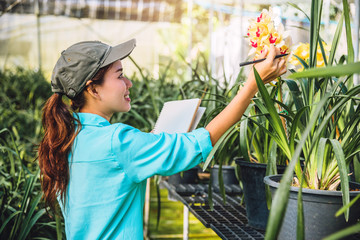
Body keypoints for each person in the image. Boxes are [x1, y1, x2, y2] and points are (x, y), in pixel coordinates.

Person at [38, 38, 286, 239]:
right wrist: (253, 84)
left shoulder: (66, 138)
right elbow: (202, 141)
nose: (129, 82)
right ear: (93, 89)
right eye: (120, 75)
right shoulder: (117, 142)